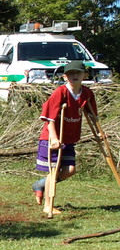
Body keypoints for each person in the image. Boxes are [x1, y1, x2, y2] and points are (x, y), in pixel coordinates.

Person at [31, 60, 97, 212]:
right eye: (70, 73)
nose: (74, 75)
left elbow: (92, 115)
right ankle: (48, 206)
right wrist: (53, 138)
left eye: (78, 73)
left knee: (70, 170)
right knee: (53, 171)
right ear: (65, 76)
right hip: (53, 137)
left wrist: (99, 131)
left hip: (69, 138)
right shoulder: (60, 92)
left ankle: (40, 184)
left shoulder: (87, 93)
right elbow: (50, 118)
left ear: (84, 75)